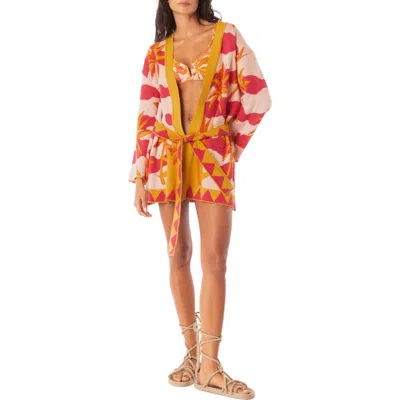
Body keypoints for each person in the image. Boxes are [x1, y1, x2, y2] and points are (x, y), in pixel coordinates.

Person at [128, 0, 271, 398]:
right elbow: (147, 114)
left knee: (214, 259)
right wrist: (139, 173)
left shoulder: (227, 37)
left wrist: (228, 145)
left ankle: (210, 366)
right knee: (178, 254)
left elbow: (258, 96)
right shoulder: (157, 52)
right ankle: (191, 353)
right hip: (165, 157)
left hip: (211, 155)